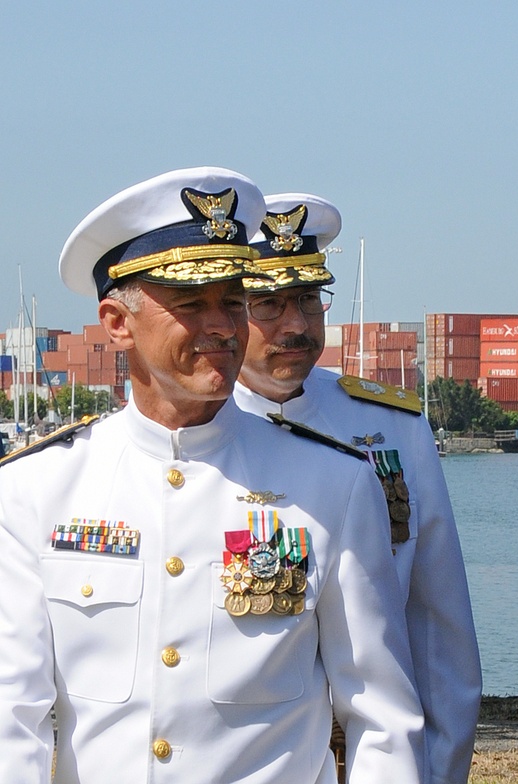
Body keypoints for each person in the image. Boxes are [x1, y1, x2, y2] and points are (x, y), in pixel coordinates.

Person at [0, 168, 424, 783]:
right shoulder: (37, 490)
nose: (223, 325)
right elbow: (14, 716)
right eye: (192, 303)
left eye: (232, 300)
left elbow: (381, 718)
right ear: (118, 323)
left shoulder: (331, 483)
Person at [233, 193, 481, 784]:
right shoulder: (198, 436)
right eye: (268, 304)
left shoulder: (393, 427)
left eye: (308, 299)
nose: (295, 324)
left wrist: (440, 772)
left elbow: (439, 626)